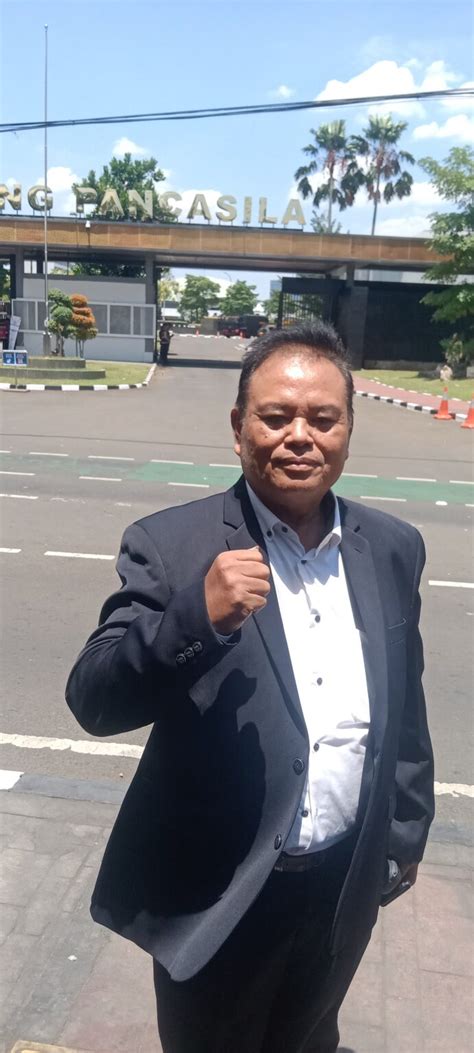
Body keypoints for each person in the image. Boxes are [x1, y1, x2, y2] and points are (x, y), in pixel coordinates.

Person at [66, 321, 434, 1053]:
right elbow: (94, 700)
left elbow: (406, 706)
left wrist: (403, 835)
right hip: (219, 898)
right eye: (276, 416)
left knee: (309, 1040)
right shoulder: (172, 544)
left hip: (340, 889)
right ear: (239, 428)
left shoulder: (393, 547)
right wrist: (195, 617)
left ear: (348, 432)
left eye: (322, 418)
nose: (300, 437)